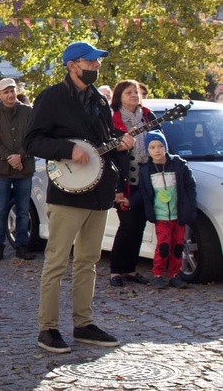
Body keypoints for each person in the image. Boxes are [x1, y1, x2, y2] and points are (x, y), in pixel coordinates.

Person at [24, 41, 135, 354]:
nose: (96, 67)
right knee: (57, 262)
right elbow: (33, 142)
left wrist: (120, 142)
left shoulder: (99, 100)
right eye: (90, 62)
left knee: (88, 261)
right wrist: (67, 150)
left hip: (98, 191)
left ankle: (84, 324)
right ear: (72, 65)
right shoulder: (51, 98)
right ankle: (48, 329)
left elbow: (103, 141)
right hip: (67, 192)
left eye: (97, 62)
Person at [108, 80, 156, 287]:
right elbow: (110, 155)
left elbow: (159, 139)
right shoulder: (114, 119)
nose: (134, 95)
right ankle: (116, 271)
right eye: (129, 92)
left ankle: (131, 269)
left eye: (136, 92)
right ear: (119, 96)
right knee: (127, 225)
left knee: (140, 225)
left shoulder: (147, 115)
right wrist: (117, 189)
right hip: (123, 181)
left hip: (145, 180)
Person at [0, 78, 36, 261]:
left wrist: (21, 156)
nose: (10, 95)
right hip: (2, 170)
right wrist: (11, 158)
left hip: (24, 169)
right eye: (5, 92)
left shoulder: (28, 112)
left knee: (23, 210)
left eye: (12, 91)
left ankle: (21, 245)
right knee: (0, 210)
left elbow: (33, 137)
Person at [139, 131, 196, 289]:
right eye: (152, 147)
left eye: (160, 146)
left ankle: (175, 275)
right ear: (147, 150)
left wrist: (190, 207)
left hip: (178, 214)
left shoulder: (179, 165)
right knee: (163, 246)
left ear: (166, 147)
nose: (157, 150)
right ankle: (158, 274)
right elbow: (144, 193)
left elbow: (190, 186)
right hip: (161, 215)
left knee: (178, 246)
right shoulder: (146, 170)